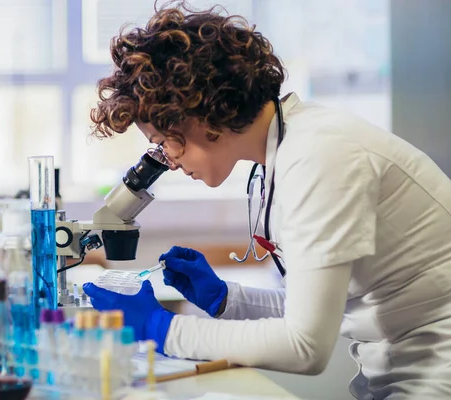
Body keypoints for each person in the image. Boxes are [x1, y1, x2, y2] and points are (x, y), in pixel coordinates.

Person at [82, 2, 451, 399]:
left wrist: (162, 329)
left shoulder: (320, 157)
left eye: (161, 143)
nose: (167, 162)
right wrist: (228, 299)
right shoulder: (289, 149)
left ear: (198, 111)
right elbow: (317, 306)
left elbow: (305, 346)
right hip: (397, 375)